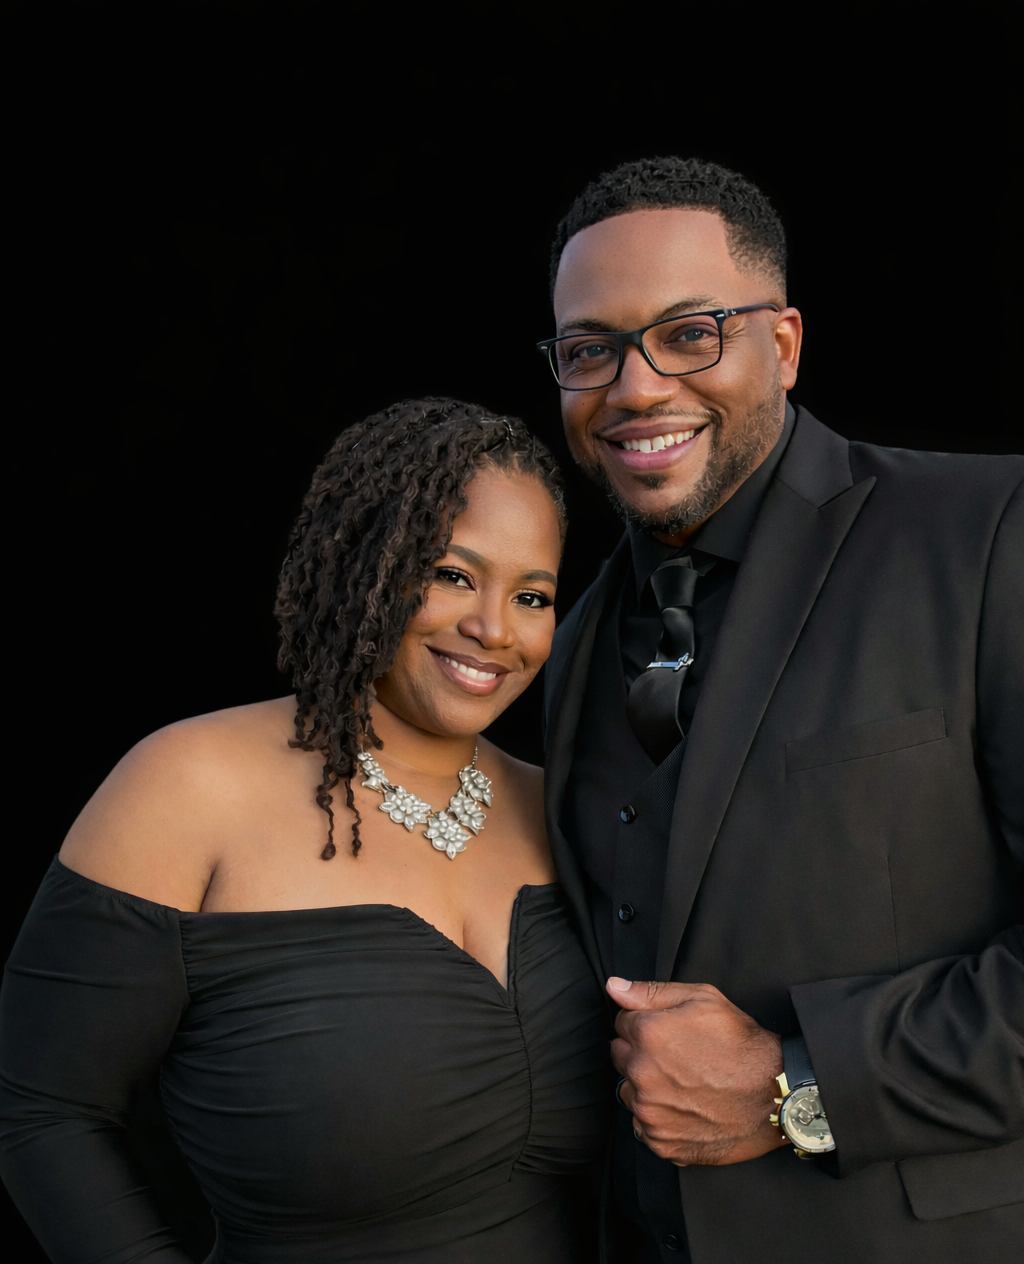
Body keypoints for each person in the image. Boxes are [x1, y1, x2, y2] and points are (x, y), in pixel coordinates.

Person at [539, 157, 1023, 1263]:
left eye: (690, 332)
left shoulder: (988, 532)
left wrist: (793, 1082)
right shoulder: (558, 645)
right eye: (589, 350)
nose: (635, 387)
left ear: (785, 344)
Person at [0, 399, 612, 1263]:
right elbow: (44, 1113)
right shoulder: (187, 786)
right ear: (371, 562)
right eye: (450, 575)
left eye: (532, 595)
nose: (494, 629)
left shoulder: (564, 811)